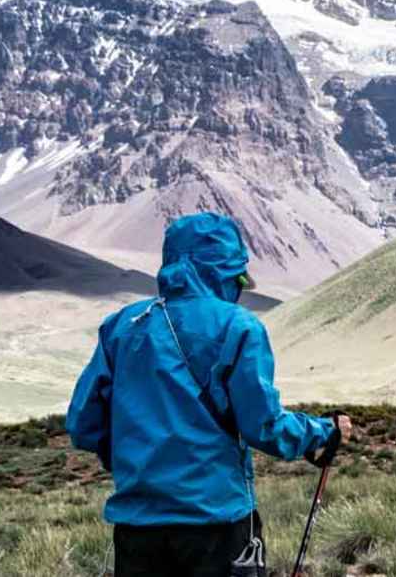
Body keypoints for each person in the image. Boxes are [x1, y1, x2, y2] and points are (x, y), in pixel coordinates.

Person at [67, 213, 348, 577]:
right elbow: (264, 427)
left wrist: (136, 461)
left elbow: (82, 425)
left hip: (137, 528)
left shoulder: (121, 327)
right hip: (218, 523)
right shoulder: (239, 326)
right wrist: (322, 432)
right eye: (237, 280)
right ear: (223, 272)